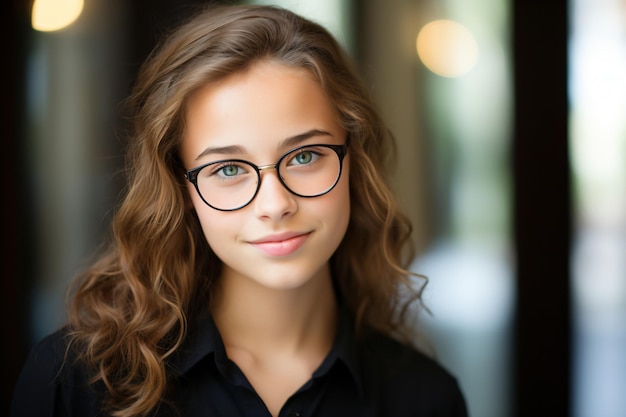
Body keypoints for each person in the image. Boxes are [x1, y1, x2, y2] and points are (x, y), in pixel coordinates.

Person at [11, 4, 468, 417]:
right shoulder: (75, 383)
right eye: (228, 168)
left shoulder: (424, 397)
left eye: (306, 156)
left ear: (354, 157)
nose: (275, 205)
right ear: (181, 186)